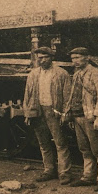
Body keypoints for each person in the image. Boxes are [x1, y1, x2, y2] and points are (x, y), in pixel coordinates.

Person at [62, 47, 98, 192]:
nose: (75, 61)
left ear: (87, 57)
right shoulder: (77, 74)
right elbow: (73, 96)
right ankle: (88, 176)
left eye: (78, 57)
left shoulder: (97, 74)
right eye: (73, 58)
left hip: (91, 116)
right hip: (78, 116)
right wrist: (70, 114)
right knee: (84, 148)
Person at [23, 47, 73, 185]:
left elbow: (67, 95)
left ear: (51, 58)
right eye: (39, 58)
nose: (42, 60)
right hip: (38, 111)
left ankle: (64, 173)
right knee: (43, 143)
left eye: (45, 57)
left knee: (60, 143)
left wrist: (65, 113)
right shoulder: (33, 74)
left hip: (54, 111)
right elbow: (28, 95)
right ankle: (49, 170)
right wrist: (28, 113)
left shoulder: (61, 73)